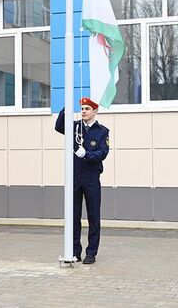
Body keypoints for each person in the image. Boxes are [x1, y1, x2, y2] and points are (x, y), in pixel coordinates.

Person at [55, 97, 109, 265]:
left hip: (91, 177)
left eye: (87, 108)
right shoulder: (75, 127)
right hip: (74, 177)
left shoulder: (102, 131)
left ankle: (91, 252)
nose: (84, 111)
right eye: (82, 108)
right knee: (73, 215)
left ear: (95, 111)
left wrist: (87, 155)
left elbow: (103, 153)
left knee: (93, 216)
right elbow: (59, 126)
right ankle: (74, 251)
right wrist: (66, 108)